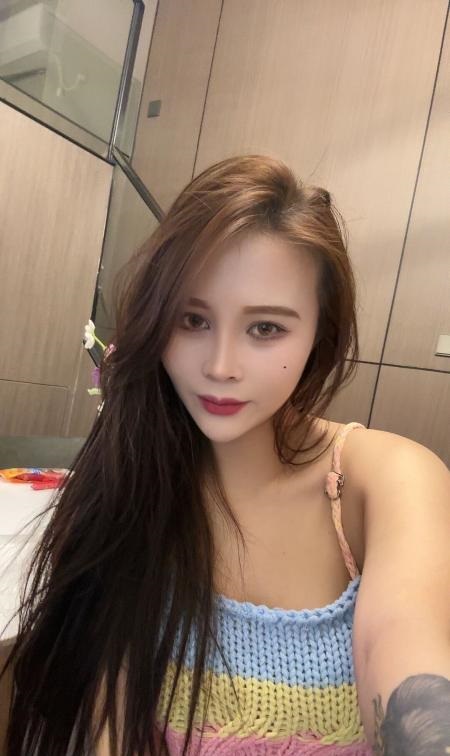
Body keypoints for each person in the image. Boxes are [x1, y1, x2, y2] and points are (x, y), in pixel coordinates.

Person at [1, 154, 449, 755]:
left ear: (320, 333)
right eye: (193, 319)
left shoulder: (386, 479)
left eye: (265, 328)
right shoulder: (134, 482)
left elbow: (413, 670)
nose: (219, 367)